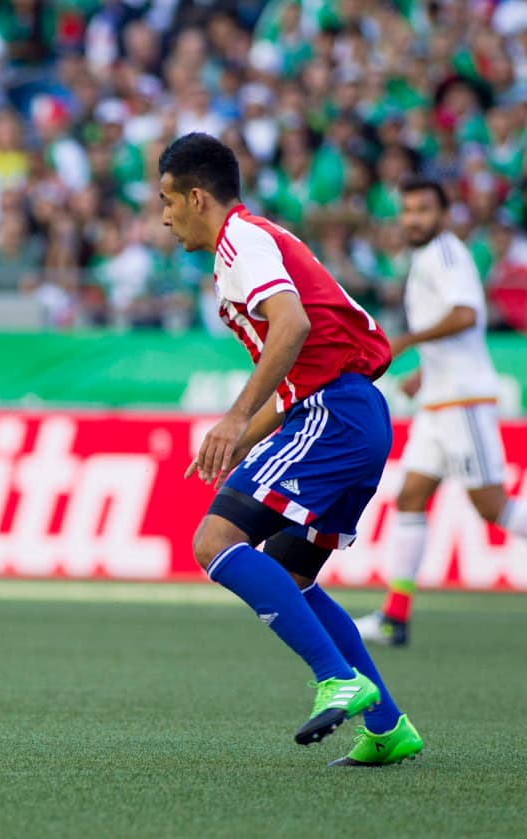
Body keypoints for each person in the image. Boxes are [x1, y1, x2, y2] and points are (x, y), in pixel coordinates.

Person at [158, 132, 423, 767]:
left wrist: (234, 415)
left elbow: (293, 325)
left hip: (332, 413)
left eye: (168, 201)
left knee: (214, 542)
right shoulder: (253, 241)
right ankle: (388, 727)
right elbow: (302, 352)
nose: (164, 217)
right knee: (292, 574)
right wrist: (235, 437)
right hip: (351, 413)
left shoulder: (241, 240)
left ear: (199, 197)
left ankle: (338, 679)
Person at [355, 177, 527, 646]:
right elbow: (454, 330)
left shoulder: (447, 254)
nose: (414, 218)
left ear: (444, 215)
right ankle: (395, 617)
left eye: (424, 210)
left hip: (463, 400)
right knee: (410, 497)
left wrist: (408, 342)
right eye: (408, 210)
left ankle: (395, 616)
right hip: (439, 399)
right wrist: (423, 373)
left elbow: (466, 314)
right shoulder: (427, 258)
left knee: (494, 507)